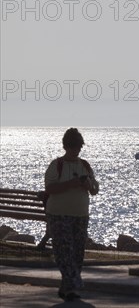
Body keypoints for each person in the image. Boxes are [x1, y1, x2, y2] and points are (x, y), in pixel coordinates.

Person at [44, 128, 99, 301]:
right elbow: (50, 188)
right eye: (73, 147)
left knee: (77, 253)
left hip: (80, 215)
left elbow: (95, 190)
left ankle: (67, 289)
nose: (76, 151)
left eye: (78, 148)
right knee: (64, 252)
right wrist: (71, 183)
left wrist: (88, 185)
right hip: (59, 215)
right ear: (66, 147)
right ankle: (74, 285)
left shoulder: (85, 165)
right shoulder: (57, 165)